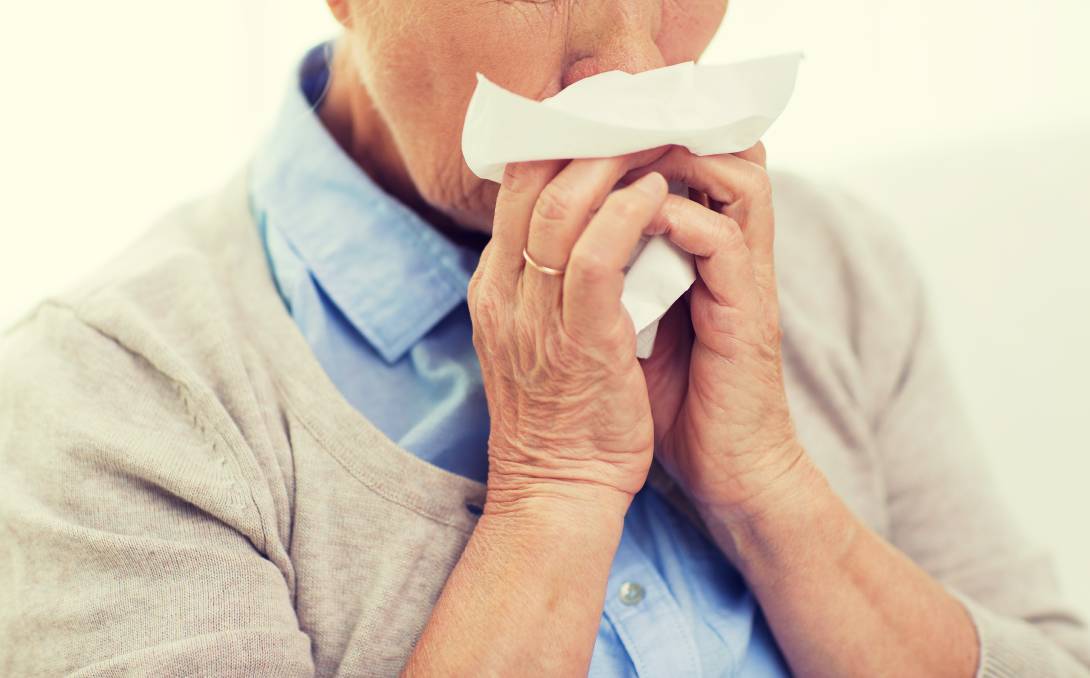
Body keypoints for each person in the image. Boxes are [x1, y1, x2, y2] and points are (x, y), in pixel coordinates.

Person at [1, 1, 1087, 676]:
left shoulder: (832, 265)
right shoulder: (110, 404)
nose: (622, 67)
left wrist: (772, 495)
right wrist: (551, 498)